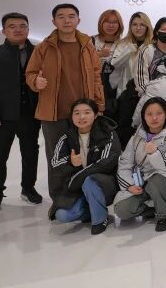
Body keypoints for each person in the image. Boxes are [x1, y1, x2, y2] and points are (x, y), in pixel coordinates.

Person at [0, 12, 42, 213]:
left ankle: (28, 188)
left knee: (30, 152)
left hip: (31, 114)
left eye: (22, 26)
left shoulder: (40, 53)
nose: (18, 30)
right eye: (12, 26)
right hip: (2, 116)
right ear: (4, 31)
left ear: (28, 29)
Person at [26, 3, 105, 165]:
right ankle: (58, 184)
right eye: (61, 17)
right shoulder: (43, 47)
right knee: (57, 158)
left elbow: (96, 78)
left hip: (83, 112)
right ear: (54, 21)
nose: (67, 21)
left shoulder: (87, 47)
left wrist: (99, 106)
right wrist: (35, 81)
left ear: (78, 20)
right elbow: (30, 73)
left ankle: (80, 183)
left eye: (71, 17)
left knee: (84, 156)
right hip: (54, 114)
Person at [48, 99, 120, 235]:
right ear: (72, 116)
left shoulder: (107, 133)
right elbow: (55, 163)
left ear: (96, 115)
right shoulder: (66, 136)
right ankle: (91, 209)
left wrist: (77, 178)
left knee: (89, 181)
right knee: (62, 215)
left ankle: (100, 220)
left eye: (87, 112)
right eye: (77, 113)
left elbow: (107, 161)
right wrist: (70, 162)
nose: (82, 117)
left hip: (104, 184)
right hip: (77, 190)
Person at [113, 96, 166, 232]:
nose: (154, 118)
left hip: (165, 180)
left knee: (156, 181)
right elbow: (125, 164)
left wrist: (154, 153)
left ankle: (165, 215)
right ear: (143, 117)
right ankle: (153, 209)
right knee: (121, 210)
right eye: (149, 114)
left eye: (159, 113)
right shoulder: (136, 137)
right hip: (141, 182)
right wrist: (130, 185)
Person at [110, 11, 153, 145]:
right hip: (126, 93)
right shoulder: (123, 44)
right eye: (134, 24)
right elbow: (115, 64)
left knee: (146, 128)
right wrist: (128, 50)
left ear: (147, 27)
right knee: (125, 128)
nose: (138, 28)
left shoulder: (153, 45)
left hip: (147, 93)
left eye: (142, 25)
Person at [133, 17, 166, 127]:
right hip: (151, 100)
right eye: (163, 29)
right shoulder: (147, 50)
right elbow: (140, 78)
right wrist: (148, 98)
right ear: (156, 31)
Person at [94, 9, 124, 110]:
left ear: (119, 25)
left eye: (115, 22)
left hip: (114, 90)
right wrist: (98, 55)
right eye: (107, 21)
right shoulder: (90, 41)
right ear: (101, 23)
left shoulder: (124, 44)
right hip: (93, 86)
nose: (111, 25)